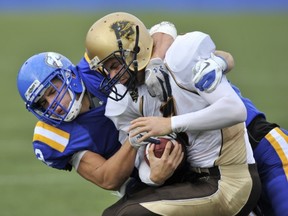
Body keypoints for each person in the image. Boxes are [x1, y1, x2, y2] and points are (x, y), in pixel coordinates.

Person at [85, 11, 261, 216]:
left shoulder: (180, 56)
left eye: (114, 65)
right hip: (192, 180)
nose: (113, 76)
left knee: (127, 214)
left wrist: (171, 124)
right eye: (107, 70)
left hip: (230, 181)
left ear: (133, 49)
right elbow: (142, 154)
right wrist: (153, 176)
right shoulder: (125, 100)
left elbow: (235, 109)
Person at [16, 22, 183, 194]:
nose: (52, 104)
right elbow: (107, 179)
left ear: (69, 75)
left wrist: (156, 60)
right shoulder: (53, 135)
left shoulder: (95, 67)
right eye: (42, 103)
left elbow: (163, 29)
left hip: (180, 124)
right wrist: (134, 139)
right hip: (141, 177)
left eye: (52, 91)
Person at [188, 55, 288, 216]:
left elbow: (224, 58)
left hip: (263, 149)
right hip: (228, 178)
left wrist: (217, 61)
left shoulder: (177, 61)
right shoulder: (137, 103)